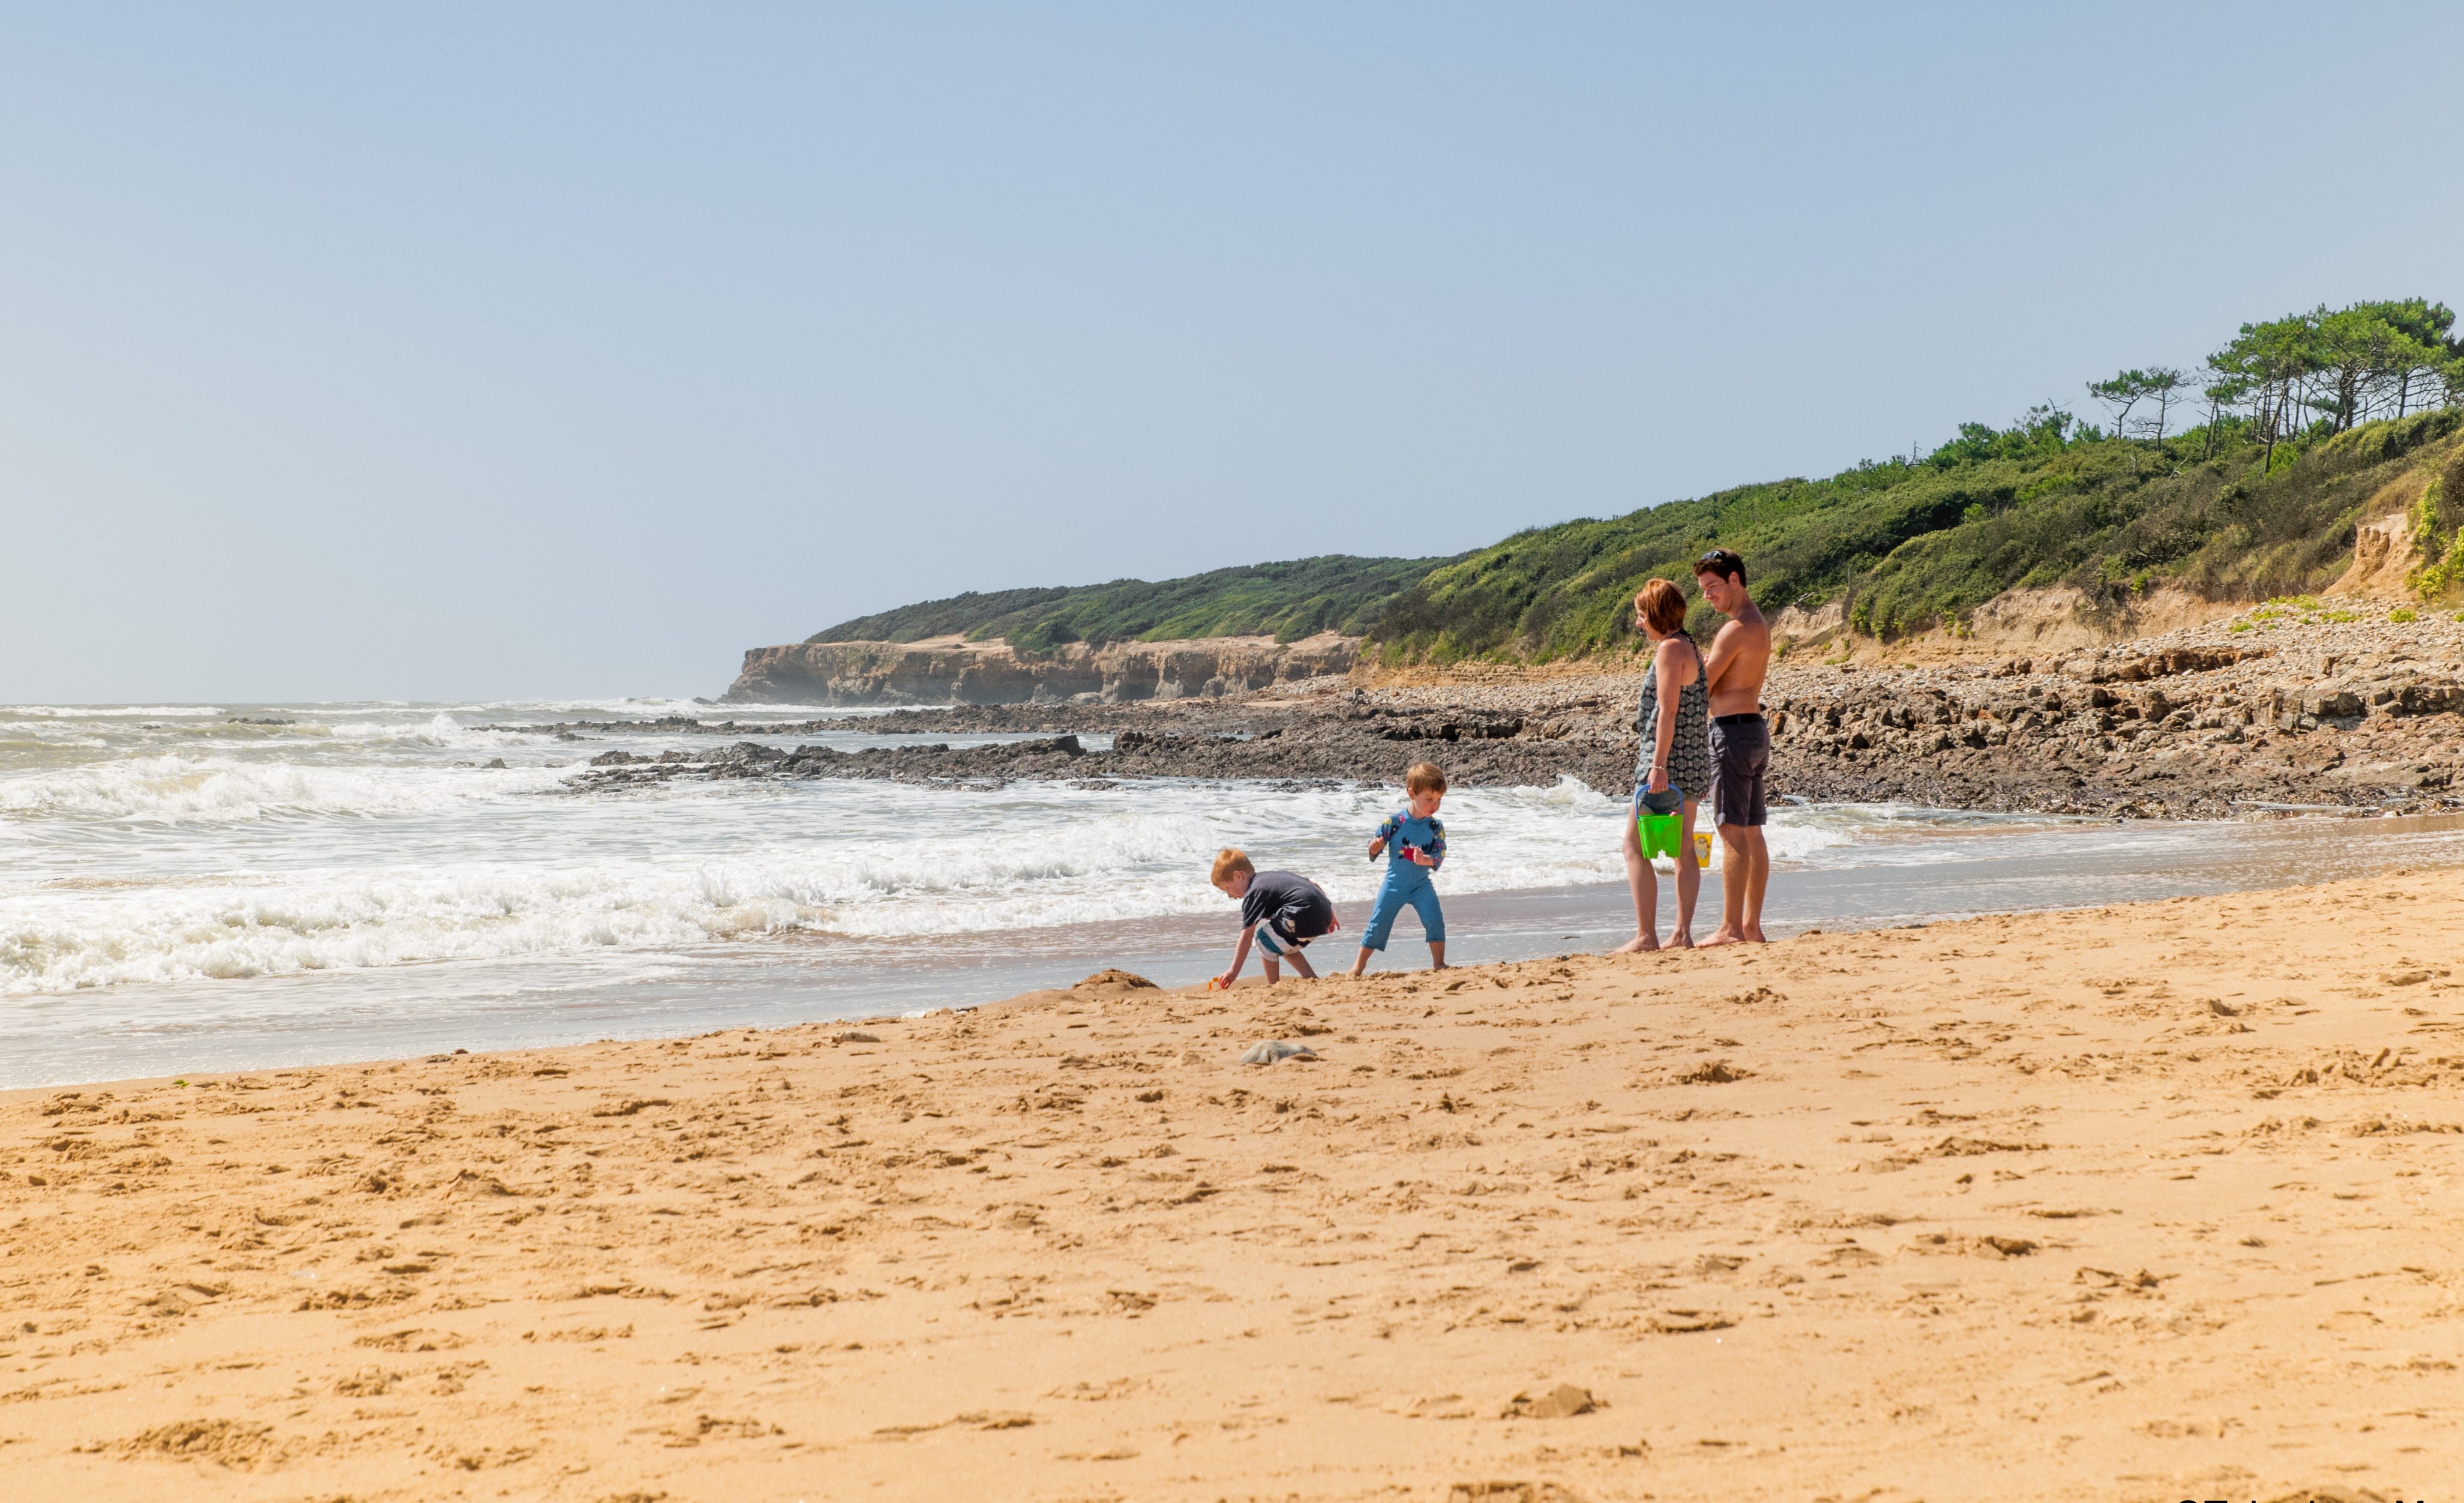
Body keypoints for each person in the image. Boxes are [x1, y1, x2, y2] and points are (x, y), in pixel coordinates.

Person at [1612, 579, 1706, 952]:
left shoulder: (1669, 649)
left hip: (1669, 763)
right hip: (1694, 761)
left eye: (1641, 615)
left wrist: (1658, 765)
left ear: (1655, 615)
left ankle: (1646, 935)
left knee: (1634, 847)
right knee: (1683, 847)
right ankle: (1682, 935)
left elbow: (1668, 711)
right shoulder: (1691, 646)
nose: (1638, 623)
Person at [1692, 547, 1773, 945]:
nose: (1707, 596)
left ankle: (1730, 928)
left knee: (1731, 830)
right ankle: (1751, 926)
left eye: (1712, 587)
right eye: (1703, 589)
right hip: (1754, 730)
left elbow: (1702, 686)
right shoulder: (1756, 622)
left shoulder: (1736, 628)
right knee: (1752, 832)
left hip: (1732, 734)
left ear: (1735, 580)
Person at [1349, 762, 1449, 975]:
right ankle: (1358, 967)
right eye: (1429, 799)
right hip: (1394, 884)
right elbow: (1374, 848)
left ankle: (1439, 964)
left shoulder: (1435, 826)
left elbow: (1440, 856)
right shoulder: (1394, 822)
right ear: (1412, 793)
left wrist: (1426, 860)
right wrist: (1373, 846)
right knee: (1378, 923)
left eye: (1439, 799)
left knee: (1435, 920)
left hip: (1422, 885)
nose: (1435, 805)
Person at [1210, 849, 1336, 986]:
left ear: (1238, 876)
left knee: (1262, 940)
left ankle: (1274, 985)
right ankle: (1309, 976)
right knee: (1278, 939)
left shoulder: (1254, 893)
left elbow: (1246, 936)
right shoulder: (1270, 878)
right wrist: (1331, 915)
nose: (1229, 895)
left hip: (1303, 916)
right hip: (1322, 913)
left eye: (1228, 888)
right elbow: (1313, 884)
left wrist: (1233, 971)